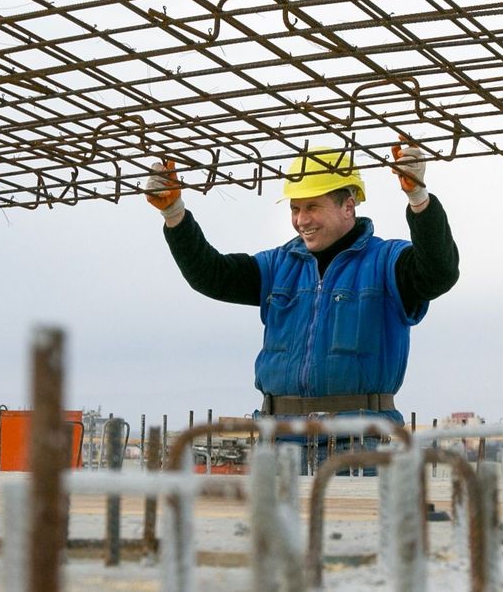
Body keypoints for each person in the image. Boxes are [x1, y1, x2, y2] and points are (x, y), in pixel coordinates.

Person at [146, 137, 459, 470]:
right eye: (296, 208)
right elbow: (212, 275)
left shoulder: (386, 262)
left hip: (356, 443)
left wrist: (419, 198)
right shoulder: (279, 265)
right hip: (278, 442)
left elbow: (439, 273)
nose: (301, 219)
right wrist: (174, 213)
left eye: (312, 207)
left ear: (348, 206)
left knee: (349, 524)